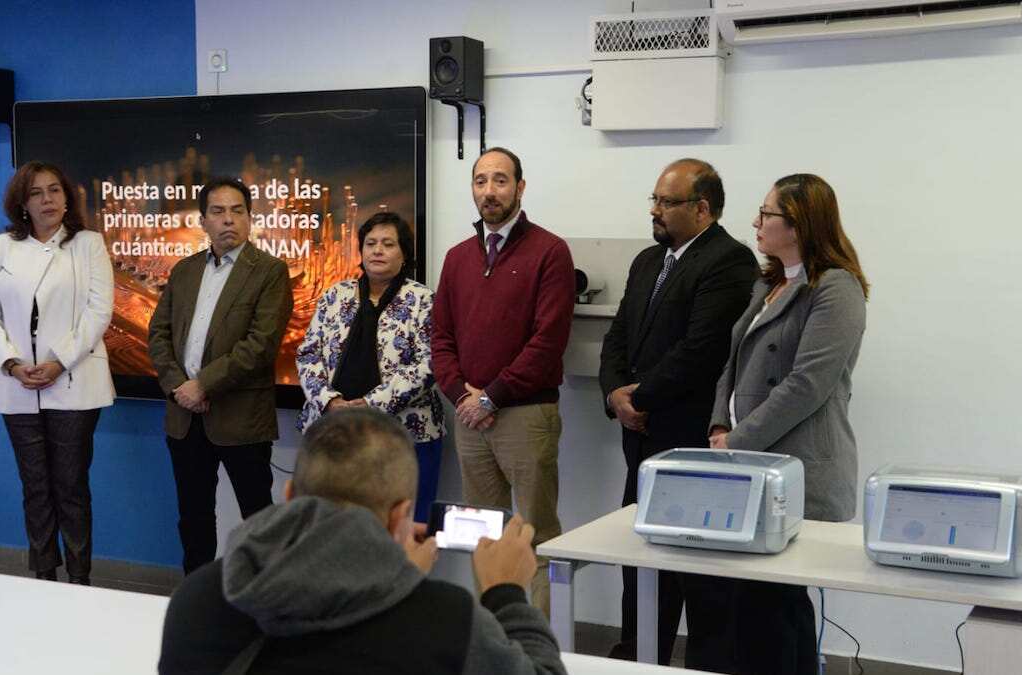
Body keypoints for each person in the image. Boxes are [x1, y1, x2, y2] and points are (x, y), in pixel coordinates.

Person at [157, 407, 567, 675]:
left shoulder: (199, 597)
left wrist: (398, 579)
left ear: (289, 496)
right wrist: (507, 594)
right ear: (400, 515)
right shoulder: (446, 621)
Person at [599, 159, 758, 668]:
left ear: (703, 208)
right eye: (655, 199)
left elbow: (701, 351)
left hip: (692, 443)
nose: (655, 210)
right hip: (642, 441)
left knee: (703, 578)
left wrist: (637, 399)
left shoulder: (730, 261)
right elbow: (618, 336)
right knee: (640, 567)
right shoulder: (648, 260)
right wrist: (614, 396)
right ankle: (640, 659)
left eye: (666, 202)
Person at [709, 173, 869, 675]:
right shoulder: (770, 284)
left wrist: (737, 440)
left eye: (767, 214)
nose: (756, 223)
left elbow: (806, 385)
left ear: (797, 225)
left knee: (771, 607)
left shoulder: (835, 288)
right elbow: (731, 364)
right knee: (761, 605)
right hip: (749, 463)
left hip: (798, 469)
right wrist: (719, 425)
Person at [431, 147, 575, 616]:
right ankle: (492, 639)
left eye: (499, 180)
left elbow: (547, 342)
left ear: (520, 187)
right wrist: (462, 396)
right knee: (485, 540)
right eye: (480, 181)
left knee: (535, 536)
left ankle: (541, 648)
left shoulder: (550, 252)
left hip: (525, 415)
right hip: (469, 417)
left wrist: (492, 396)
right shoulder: (456, 258)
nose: (489, 191)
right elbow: (441, 340)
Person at [0, 160, 115, 586]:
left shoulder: (88, 244)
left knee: (70, 486)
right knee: (35, 487)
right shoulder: (2, 248)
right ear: (22, 202)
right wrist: (12, 363)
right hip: (16, 386)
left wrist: (59, 361)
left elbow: (98, 311)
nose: (48, 199)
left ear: (67, 197)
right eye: (37, 193)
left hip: (73, 383)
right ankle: (43, 579)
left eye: (55, 190)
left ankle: (79, 579)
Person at [147, 177, 293, 574]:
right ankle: (198, 598)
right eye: (218, 212)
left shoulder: (270, 271)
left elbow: (260, 346)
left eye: (238, 211)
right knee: (193, 518)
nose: (229, 220)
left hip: (241, 418)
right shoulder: (184, 271)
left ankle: (267, 602)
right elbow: (158, 333)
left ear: (249, 218)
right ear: (203, 221)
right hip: (184, 417)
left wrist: (203, 384)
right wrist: (180, 387)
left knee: (258, 519)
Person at [296, 211, 445, 523]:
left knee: (403, 527)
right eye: (371, 243)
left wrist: (369, 405)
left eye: (388, 244)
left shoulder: (423, 300)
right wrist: (329, 402)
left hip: (406, 435)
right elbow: (308, 353)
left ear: (404, 254)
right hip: (334, 431)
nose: (377, 250)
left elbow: (430, 363)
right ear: (360, 251)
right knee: (331, 528)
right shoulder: (334, 295)